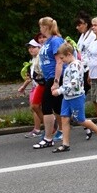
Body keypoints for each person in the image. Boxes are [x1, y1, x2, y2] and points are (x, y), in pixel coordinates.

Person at [51, 42, 97, 153]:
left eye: (62, 58)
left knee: (80, 120)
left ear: (69, 54)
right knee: (64, 118)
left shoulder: (76, 65)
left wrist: (59, 91)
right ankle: (65, 144)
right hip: (67, 97)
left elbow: (74, 83)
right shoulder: (69, 65)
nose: (61, 61)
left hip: (76, 97)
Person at [33, 17, 66, 149]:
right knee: (59, 108)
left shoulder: (56, 40)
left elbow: (59, 61)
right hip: (48, 77)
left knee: (46, 106)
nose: (40, 29)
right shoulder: (48, 41)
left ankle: (48, 138)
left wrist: (56, 81)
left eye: (41, 26)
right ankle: (65, 130)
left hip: (54, 77)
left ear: (45, 27)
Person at [17, 37, 45, 139]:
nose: (31, 49)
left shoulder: (40, 58)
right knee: (34, 108)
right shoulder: (32, 60)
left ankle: (40, 129)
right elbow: (30, 77)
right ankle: (42, 127)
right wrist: (23, 86)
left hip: (40, 86)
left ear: (39, 47)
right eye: (29, 47)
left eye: (33, 47)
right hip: (35, 87)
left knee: (36, 107)